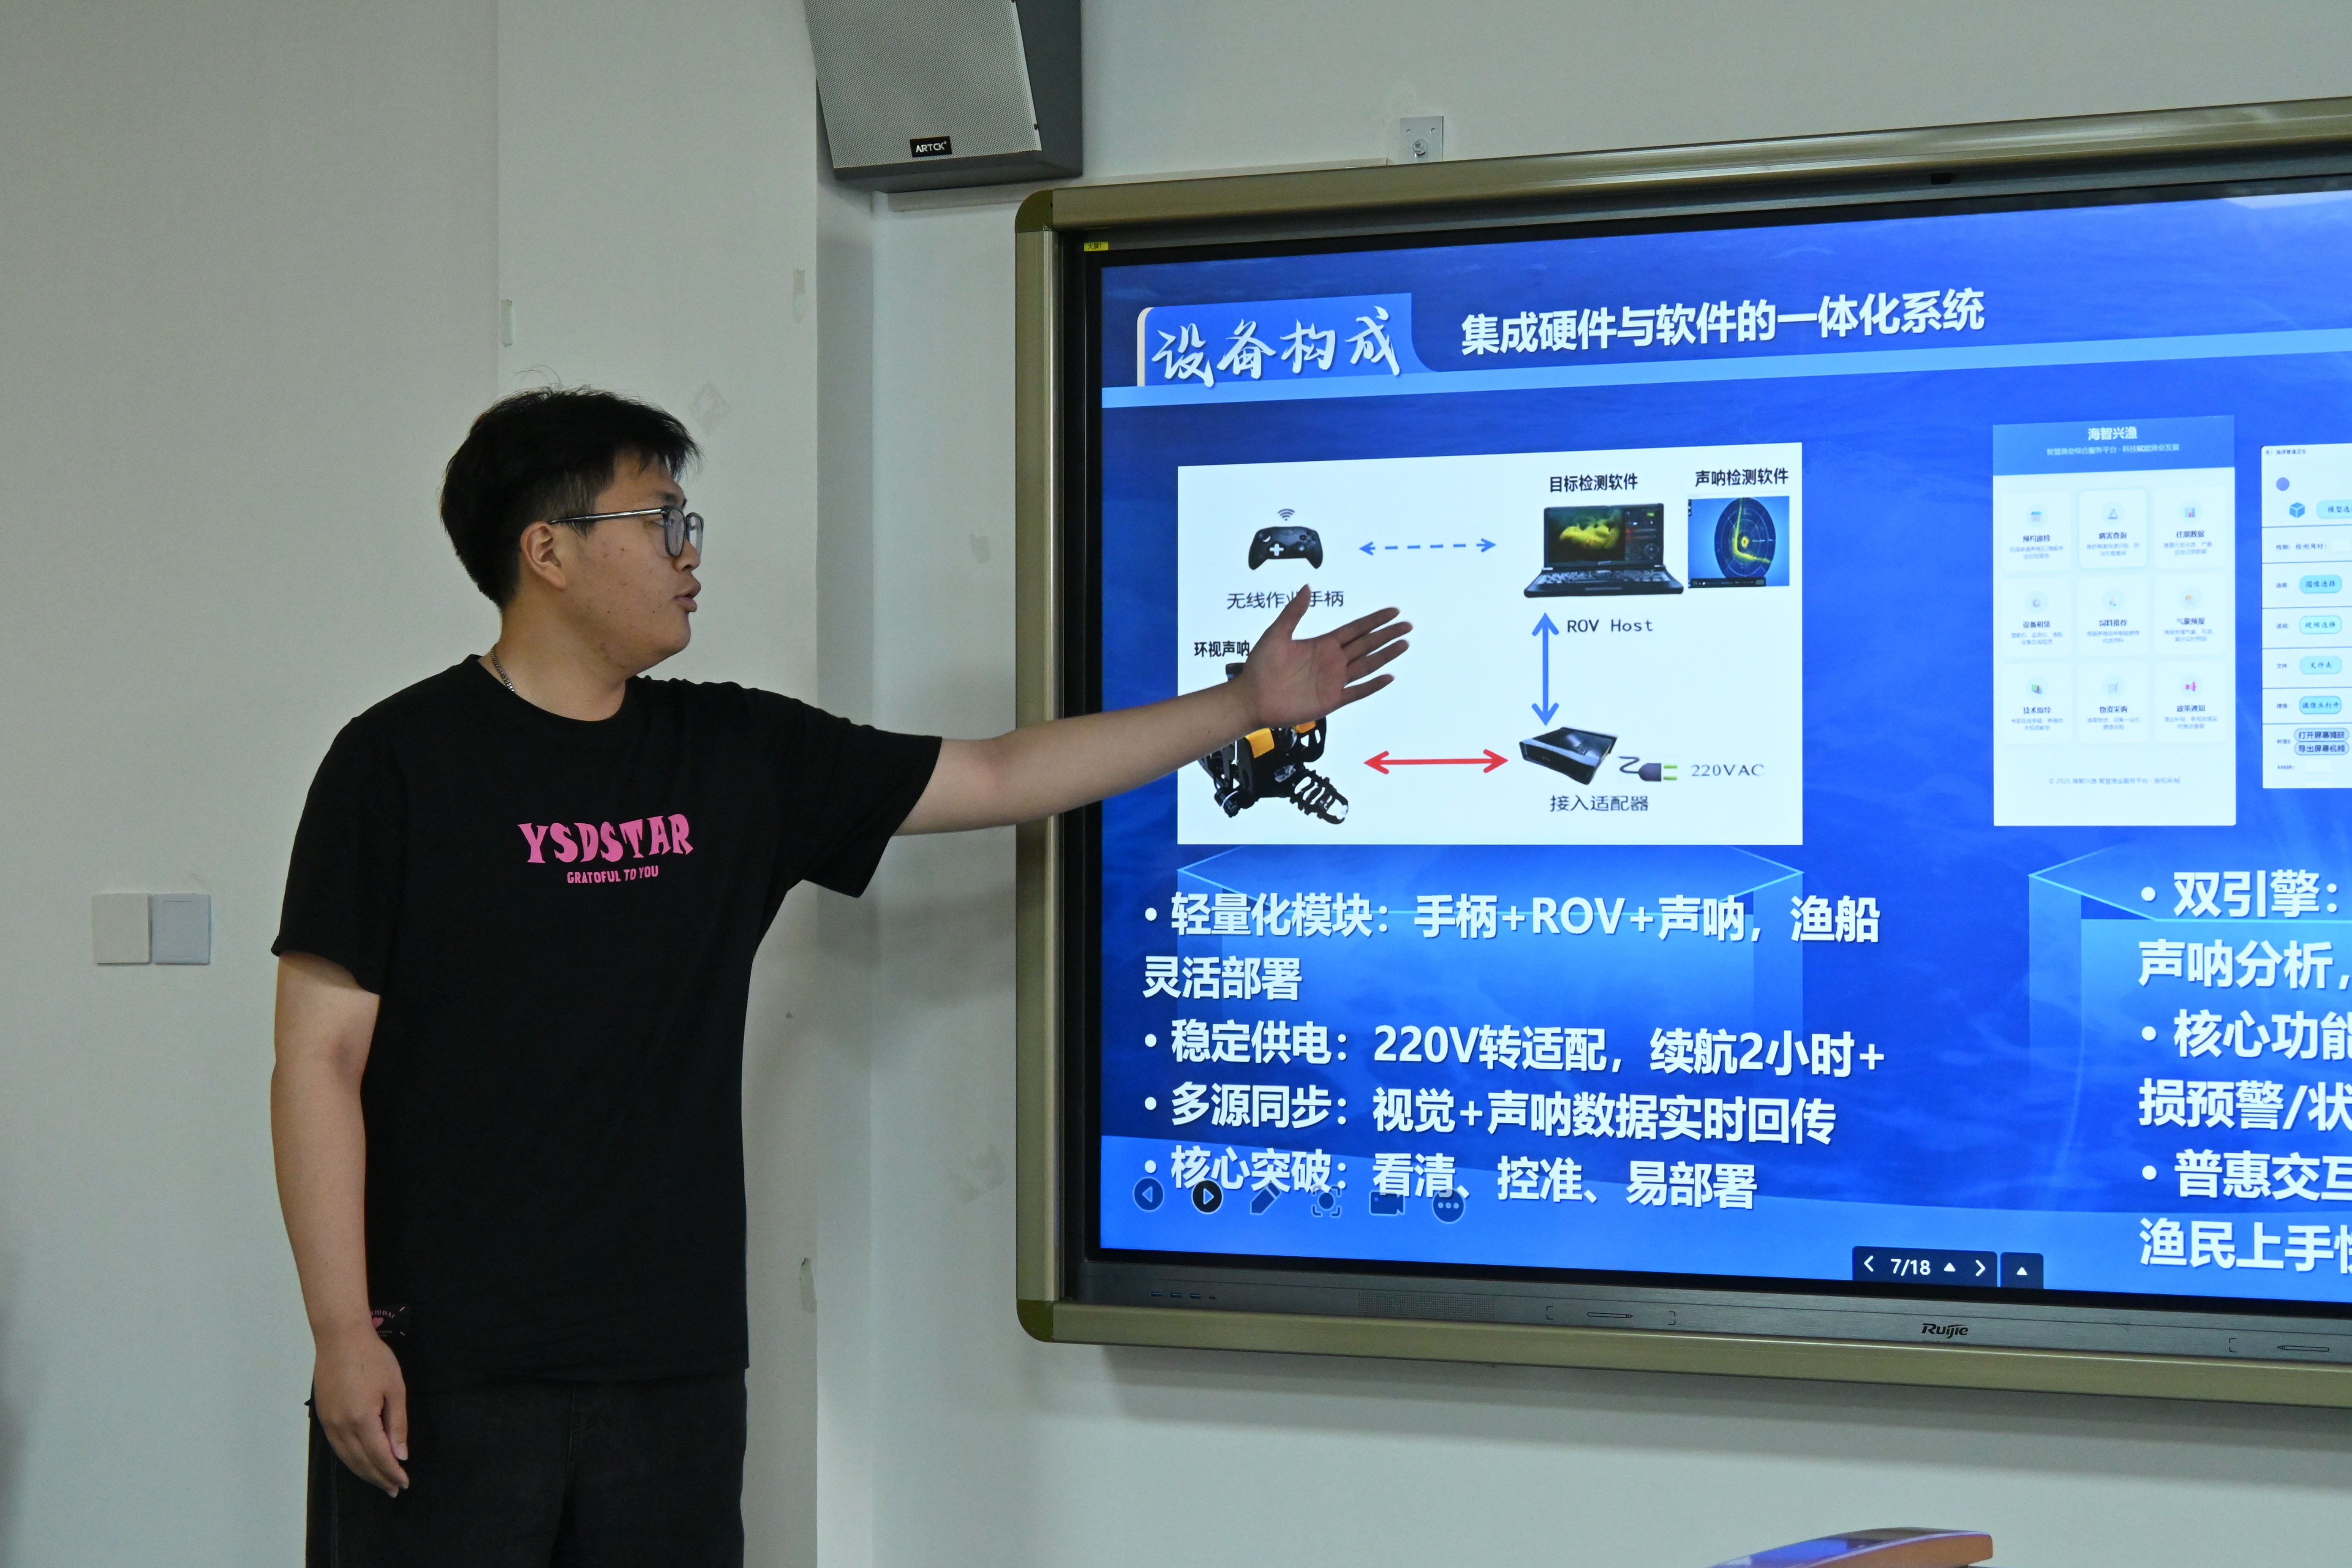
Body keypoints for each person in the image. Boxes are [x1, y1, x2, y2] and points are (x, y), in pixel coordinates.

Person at [270, 387, 1408, 1565]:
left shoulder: (735, 755)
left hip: (673, 1366)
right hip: (442, 1366)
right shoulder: (396, 765)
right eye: (660, 522)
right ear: (547, 551)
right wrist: (343, 1331)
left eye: (689, 523)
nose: (690, 554)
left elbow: (1000, 775)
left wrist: (1243, 705)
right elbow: (317, 1060)